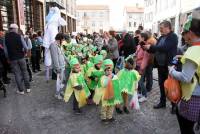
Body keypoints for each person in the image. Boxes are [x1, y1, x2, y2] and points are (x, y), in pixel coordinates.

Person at [169, 10, 200, 134]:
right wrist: (182, 58)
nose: (183, 37)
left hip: (193, 97)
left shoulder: (192, 51)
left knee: (186, 130)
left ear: (190, 33)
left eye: (184, 33)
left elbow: (186, 77)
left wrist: (171, 71)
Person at [143, 20, 178, 109]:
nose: (160, 30)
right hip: (160, 65)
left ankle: (174, 105)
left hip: (169, 66)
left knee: (171, 85)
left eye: (161, 28)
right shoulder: (162, 37)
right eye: (160, 28)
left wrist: (151, 46)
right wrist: (147, 48)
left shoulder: (173, 36)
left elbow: (164, 48)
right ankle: (162, 102)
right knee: (161, 84)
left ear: (167, 28)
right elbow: (156, 49)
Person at [4, 24, 31, 94]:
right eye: (17, 29)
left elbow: (5, 50)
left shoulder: (5, 37)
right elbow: (26, 47)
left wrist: (8, 57)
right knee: (25, 72)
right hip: (21, 57)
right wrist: (24, 53)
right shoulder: (20, 36)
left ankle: (21, 90)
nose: (17, 30)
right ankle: (28, 88)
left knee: (17, 74)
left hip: (12, 58)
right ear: (14, 29)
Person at [49, 33, 66, 99]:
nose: (64, 41)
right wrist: (57, 68)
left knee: (63, 80)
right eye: (63, 39)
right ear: (60, 39)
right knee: (59, 82)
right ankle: (57, 94)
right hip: (59, 67)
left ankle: (60, 91)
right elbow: (55, 58)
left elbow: (63, 54)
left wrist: (68, 61)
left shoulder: (59, 45)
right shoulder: (53, 45)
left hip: (62, 66)